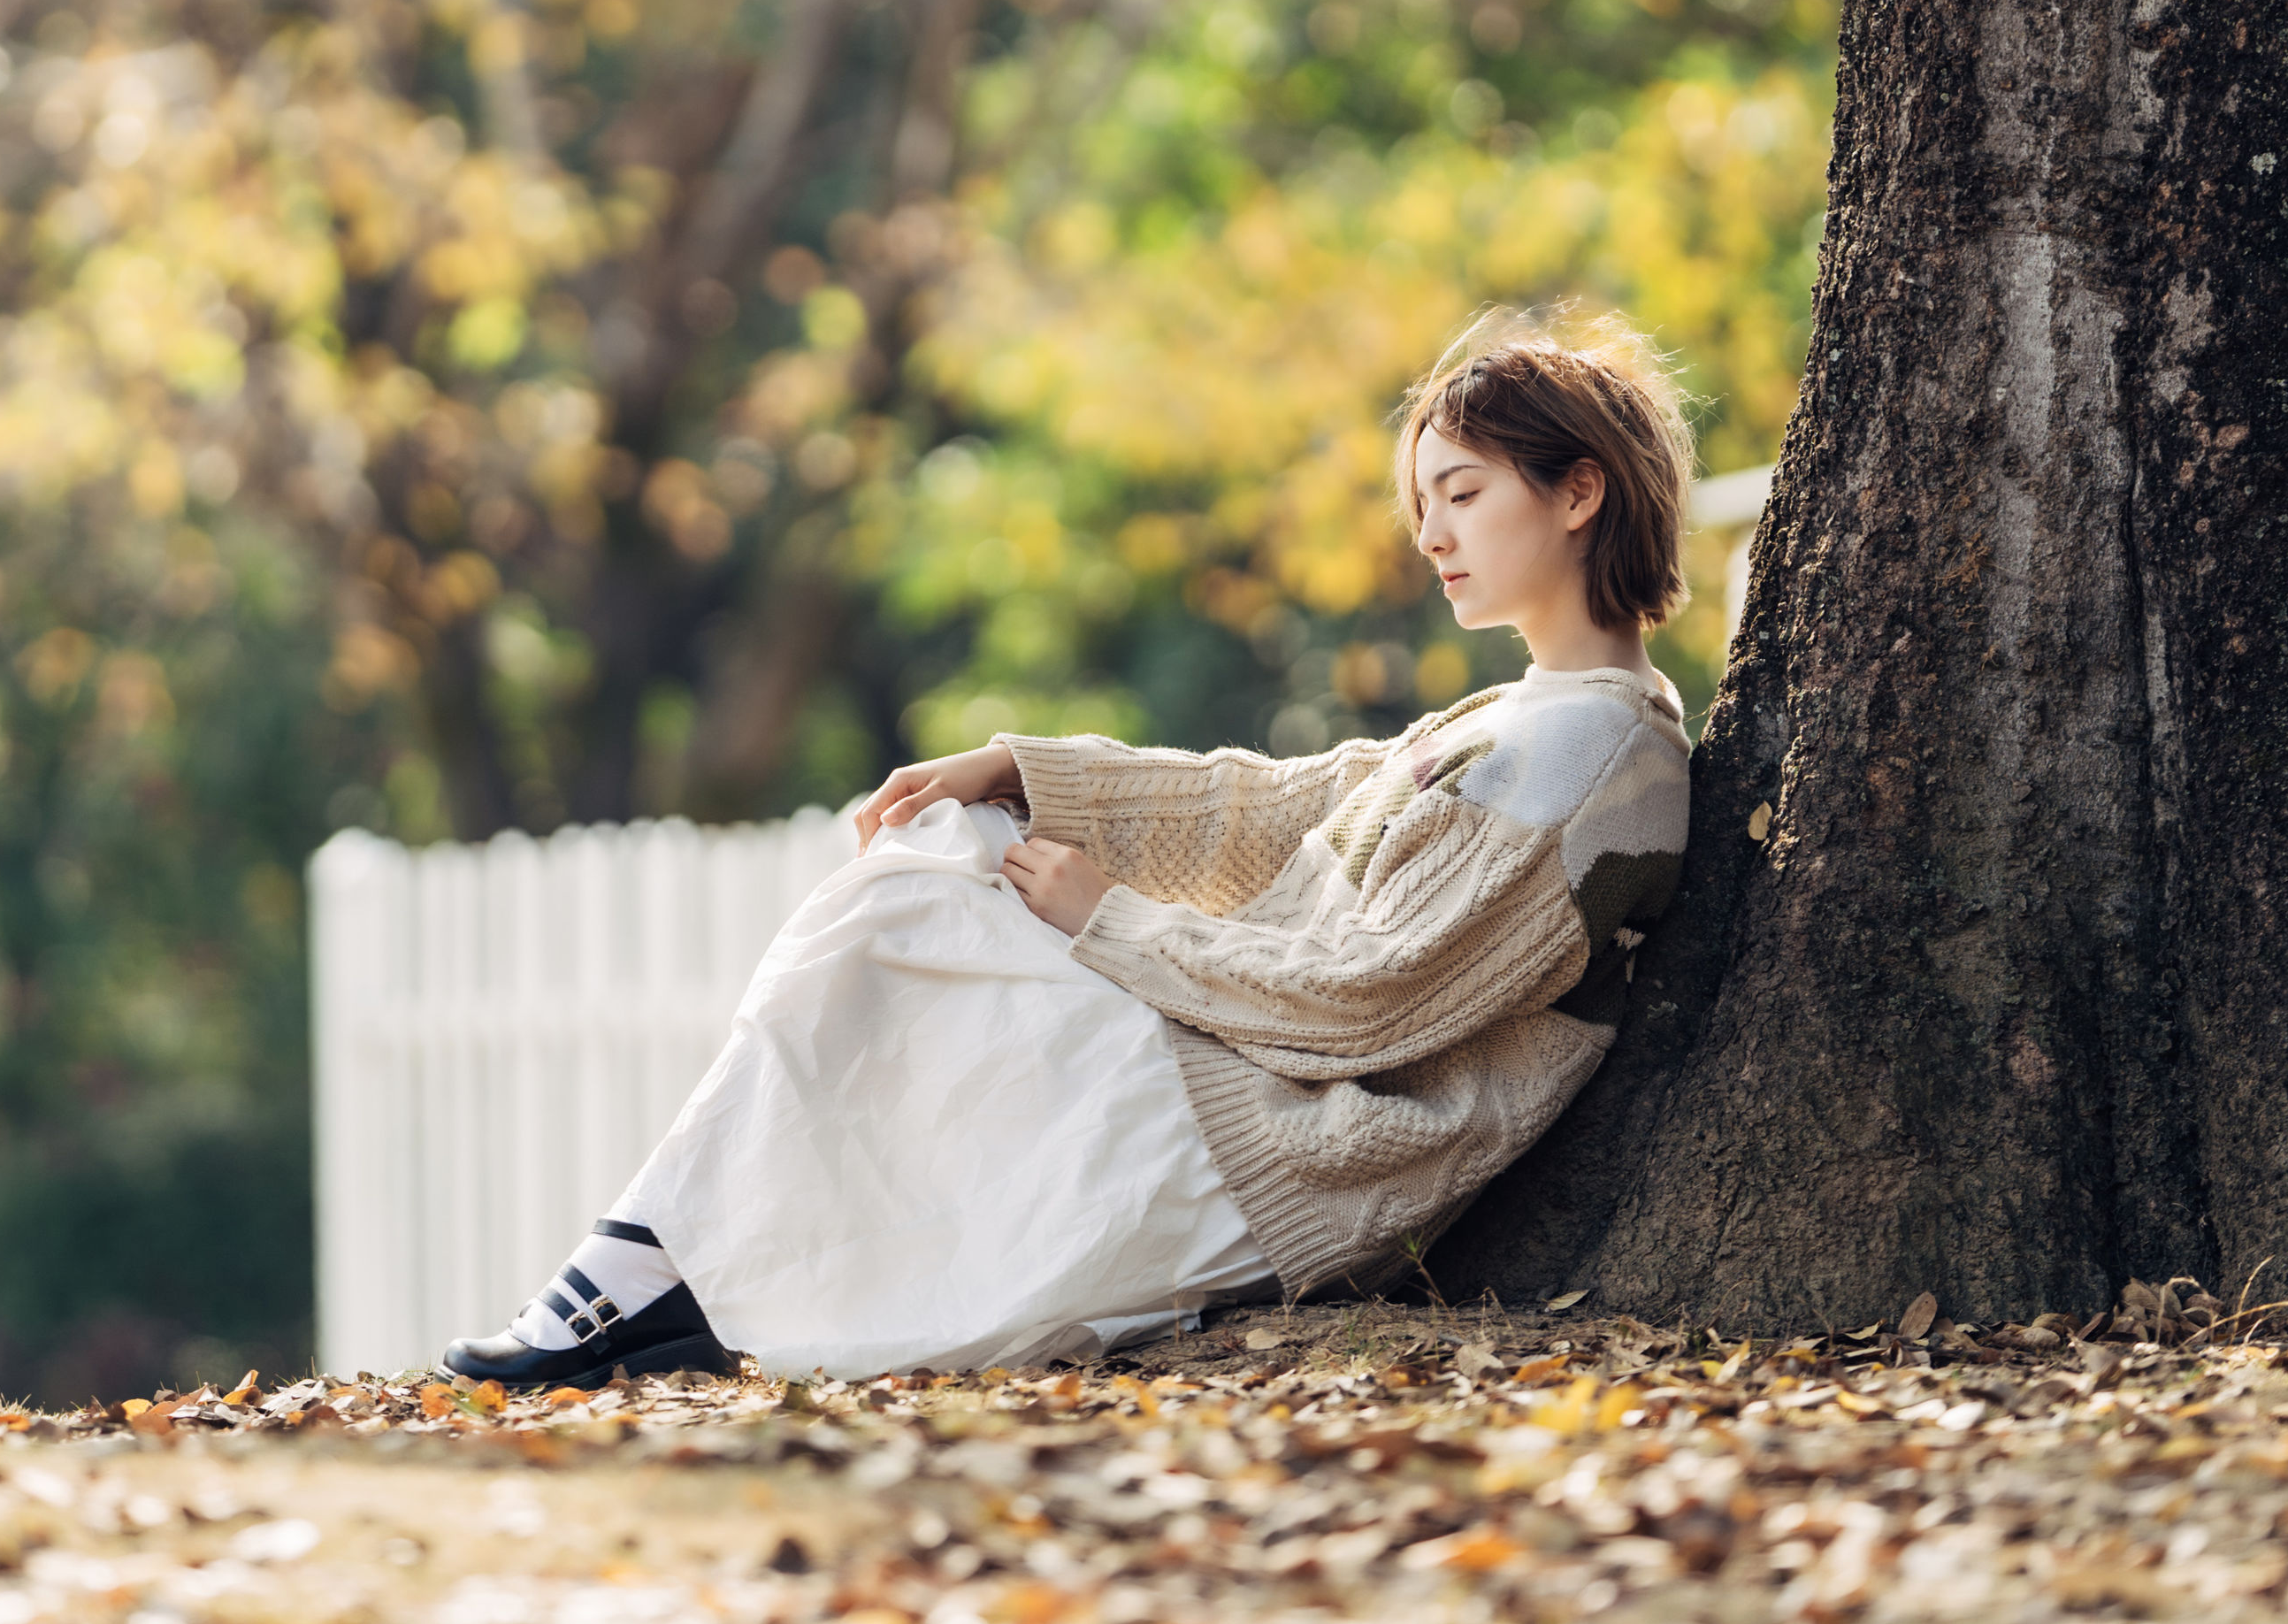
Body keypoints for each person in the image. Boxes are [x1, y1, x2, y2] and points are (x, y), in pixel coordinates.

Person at [441, 304, 1701, 1389]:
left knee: (910, 910)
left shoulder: (1598, 765)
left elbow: (1364, 1005)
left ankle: (642, 1274)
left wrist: (1110, 919)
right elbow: (1271, 803)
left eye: (1463, 496)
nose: (1431, 538)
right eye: (1425, 504)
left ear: (1578, 490)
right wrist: (1027, 772)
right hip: (1238, 1079)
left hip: (1291, 1151)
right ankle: (668, 1273)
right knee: (945, 854)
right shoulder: (1520, 719)